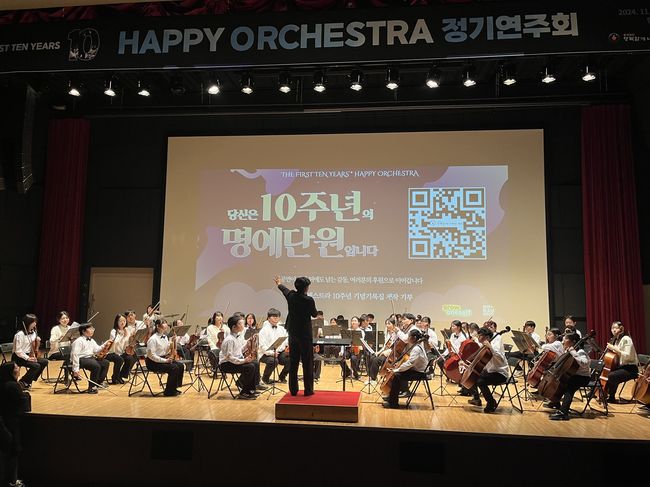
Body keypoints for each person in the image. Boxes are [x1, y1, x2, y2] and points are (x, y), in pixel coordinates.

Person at [274, 275, 318, 396]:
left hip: (293, 334)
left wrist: (279, 283)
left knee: (293, 362)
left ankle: (293, 390)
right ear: (306, 288)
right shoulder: (309, 300)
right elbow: (314, 314)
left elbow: (284, 290)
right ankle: (308, 390)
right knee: (307, 363)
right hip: (305, 335)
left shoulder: (291, 296)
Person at [549, 333, 591, 420]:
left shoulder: (581, 352)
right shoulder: (568, 351)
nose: (563, 341)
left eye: (565, 339)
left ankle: (563, 413)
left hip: (583, 377)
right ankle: (556, 403)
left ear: (573, 342)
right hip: (574, 376)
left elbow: (584, 363)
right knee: (562, 382)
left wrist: (573, 352)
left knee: (569, 387)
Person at [467, 327, 509, 413]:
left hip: (500, 373)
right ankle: (477, 399)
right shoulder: (484, 346)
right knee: (473, 376)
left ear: (487, 337)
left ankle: (491, 402)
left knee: (480, 381)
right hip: (490, 372)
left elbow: (500, 358)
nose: (478, 337)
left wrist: (491, 347)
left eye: (480, 336)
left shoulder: (494, 346)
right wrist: (469, 366)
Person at [382, 329, 428, 409]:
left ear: (413, 338)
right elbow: (410, 362)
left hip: (420, 373)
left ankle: (393, 404)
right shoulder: (417, 346)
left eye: (409, 336)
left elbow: (410, 363)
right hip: (416, 370)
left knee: (396, 375)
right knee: (398, 374)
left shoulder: (416, 349)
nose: (408, 338)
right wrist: (398, 367)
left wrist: (396, 369)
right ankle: (391, 397)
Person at [0, 362, 29, 487]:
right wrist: (25, 395)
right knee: (13, 452)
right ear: (11, 372)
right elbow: (23, 403)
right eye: (16, 368)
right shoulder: (12, 385)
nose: (19, 369)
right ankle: (13, 481)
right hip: (11, 423)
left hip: (3, 422)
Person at [219, 315, 258, 399]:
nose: (243, 325)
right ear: (234, 327)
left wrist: (248, 342)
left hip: (233, 361)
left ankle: (251, 390)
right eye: (240, 324)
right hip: (226, 364)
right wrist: (244, 361)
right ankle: (244, 392)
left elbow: (239, 350)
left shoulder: (236, 337)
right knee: (249, 367)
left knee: (255, 363)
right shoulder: (230, 339)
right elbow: (229, 357)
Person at [146, 320, 185, 397]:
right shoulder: (153, 339)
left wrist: (173, 341)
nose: (166, 325)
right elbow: (151, 355)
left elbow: (166, 351)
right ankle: (169, 391)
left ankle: (174, 388)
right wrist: (165, 360)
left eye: (166, 323)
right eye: (163, 323)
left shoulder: (165, 337)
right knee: (174, 368)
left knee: (180, 365)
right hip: (153, 362)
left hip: (162, 359)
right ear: (158, 326)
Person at [603, 321, 639, 404]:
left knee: (612, 375)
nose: (613, 330)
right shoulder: (616, 340)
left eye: (616, 328)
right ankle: (601, 393)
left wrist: (614, 348)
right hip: (621, 367)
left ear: (621, 329)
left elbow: (628, 356)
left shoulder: (626, 339)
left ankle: (611, 397)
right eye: (612, 328)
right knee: (604, 371)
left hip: (630, 369)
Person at [11, 314, 48, 390]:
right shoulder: (19, 334)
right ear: (27, 323)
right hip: (18, 357)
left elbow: (33, 345)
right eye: (33, 322)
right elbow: (18, 351)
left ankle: (28, 380)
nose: (35, 324)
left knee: (44, 361)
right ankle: (23, 382)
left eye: (35, 322)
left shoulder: (33, 333)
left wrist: (33, 352)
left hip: (28, 355)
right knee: (36, 366)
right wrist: (28, 358)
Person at [70, 324, 110, 394]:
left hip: (89, 358)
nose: (92, 330)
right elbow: (75, 355)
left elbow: (97, 350)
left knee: (105, 363)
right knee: (96, 366)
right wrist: (75, 369)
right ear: (83, 331)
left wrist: (105, 344)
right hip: (80, 359)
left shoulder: (91, 340)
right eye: (90, 329)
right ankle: (92, 387)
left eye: (93, 329)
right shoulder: (79, 341)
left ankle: (98, 383)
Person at [258, 308, 289, 384]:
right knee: (273, 361)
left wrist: (287, 347)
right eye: (273, 316)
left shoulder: (282, 329)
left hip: (279, 352)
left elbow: (286, 340)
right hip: (265, 353)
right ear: (268, 318)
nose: (276, 318)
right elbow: (262, 346)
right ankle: (265, 378)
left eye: (277, 316)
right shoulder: (264, 330)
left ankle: (282, 377)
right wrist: (271, 353)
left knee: (292, 359)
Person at [105, 313, 137, 384]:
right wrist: (124, 337)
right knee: (119, 359)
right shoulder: (114, 331)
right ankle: (115, 377)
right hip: (113, 352)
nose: (122, 322)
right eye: (120, 321)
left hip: (122, 352)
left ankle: (121, 375)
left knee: (132, 357)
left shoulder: (127, 330)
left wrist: (132, 338)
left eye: (124, 321)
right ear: (117, 322)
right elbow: (115, 342)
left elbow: (127, 343)